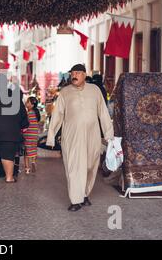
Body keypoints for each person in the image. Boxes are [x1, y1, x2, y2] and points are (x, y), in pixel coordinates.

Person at [47, 64, 114, 212]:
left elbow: (103, 112)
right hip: (72, 136)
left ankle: (84, 194)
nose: (74, 75)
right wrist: (51, 137)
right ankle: (76, 200)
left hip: (92, 134)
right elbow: (57, 115)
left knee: (90, 166)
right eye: (72, 73)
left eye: (77, 73)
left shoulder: (95, 90)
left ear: (84, 75)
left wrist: (109, 134)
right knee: (75, 166)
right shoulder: (65, 92)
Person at [23, 96, 41, 174]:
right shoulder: (36, 114)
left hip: (28, 135)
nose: (26, 103)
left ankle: (27, 168)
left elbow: (25, 124)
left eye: (28, 102)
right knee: (33, 149)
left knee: (26, 152)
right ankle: (33, 162)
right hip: (34, 135)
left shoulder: (28, 114)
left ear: (32, 105)